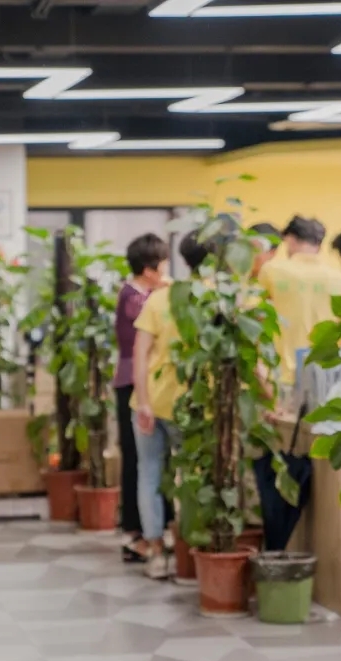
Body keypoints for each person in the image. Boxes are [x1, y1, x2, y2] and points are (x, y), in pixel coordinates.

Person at [132, 231, 215, 580]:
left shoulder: (160, 299)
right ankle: (192, 551)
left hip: (152, 400)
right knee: (194, 477)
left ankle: (155, 551)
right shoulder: (215, 299)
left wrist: (143, 402)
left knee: (149, 472)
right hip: (194, 406)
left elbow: (139, 354)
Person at [115, 233, 171, 563]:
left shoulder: (145, 295)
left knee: (145, 463)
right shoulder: (135, 298)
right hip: (133, 385)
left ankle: (150, 530)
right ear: (150, 271)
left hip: (147, 387)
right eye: (163, 265)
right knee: (137, 461)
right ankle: (135, 532)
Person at [258, 216, 341, 386]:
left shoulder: (271, 271)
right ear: (319, 244)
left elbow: (254, 317)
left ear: (289, 240)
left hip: (280, 375)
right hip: (324, 378)